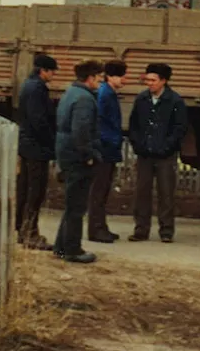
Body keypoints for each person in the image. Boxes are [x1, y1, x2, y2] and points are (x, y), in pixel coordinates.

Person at [127, 63, 188, 243]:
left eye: (153, 80)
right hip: (145, 154)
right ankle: (141, 229)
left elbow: (180, 128)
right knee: (142, 192)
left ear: (164, 81)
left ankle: (166, 231)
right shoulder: (142, 99)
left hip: (165, 156)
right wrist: (138, 145)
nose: (150, 84)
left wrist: (167, 147)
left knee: (166, 193)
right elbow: (134, 125)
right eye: (147, 80)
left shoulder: (175, 101)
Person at [53, 60, 105, 264]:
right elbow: (81, 131)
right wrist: (89, 155)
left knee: (71, 203)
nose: (100, 83)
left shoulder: (71, 93)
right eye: (99, 79)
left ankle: (62, 246)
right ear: (90, 78)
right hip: (77, 157)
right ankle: (72, 249)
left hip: (66, 153)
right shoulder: (84, 99)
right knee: (76, 205)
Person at [16, 53, 58, 250]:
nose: (53, 76)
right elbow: (39, 120)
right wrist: (51, 142)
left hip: (28, 144)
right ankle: (29, 232)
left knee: (25, 188)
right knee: (35, 190)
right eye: (52, 72)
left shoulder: (29, 85)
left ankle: (22, 229)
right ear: (44, 71)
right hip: (36, 147)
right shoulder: (37, 88)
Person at [87, 60, 128, 244]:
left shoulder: (107, 92)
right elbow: (101, 123)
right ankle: (96, 229)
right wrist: (111, 141)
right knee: (99, 190)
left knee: (102, 191)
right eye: (122, 75)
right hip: (105, 149)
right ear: (112, 76)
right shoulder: (105, 95)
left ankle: (101, 227)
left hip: (107, 148)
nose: (125, 80)